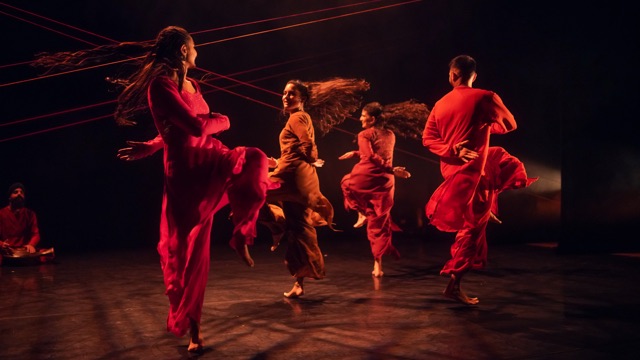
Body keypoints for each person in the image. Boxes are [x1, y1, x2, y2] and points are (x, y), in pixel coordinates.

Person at [36, 26, 275, 352]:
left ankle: (242, 233)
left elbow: (185, 128)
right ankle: (194, 330)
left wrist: (152, 144)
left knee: (254, 159)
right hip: (185, 175)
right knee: (188, 254)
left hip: (209, 157)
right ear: (182, 52)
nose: (197, 52)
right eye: (194, 47)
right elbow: (191, 126)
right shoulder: (160, 86)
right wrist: (225, 120)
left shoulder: (192, 84)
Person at [422, 55, 537, 305]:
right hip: (472, 173)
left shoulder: (439, 104)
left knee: (500, 160)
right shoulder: (486, 97)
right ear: (474, 76)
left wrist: (453, 149)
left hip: (452, 172)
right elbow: (509, 125)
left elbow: (428, 139)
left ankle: (488, 204)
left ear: (452, 75)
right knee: (472, 230)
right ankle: (453, 285)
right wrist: (485, 124)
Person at [261, 78, 370, 298]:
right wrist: (279, 162)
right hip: (296, 174)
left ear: (302, 98)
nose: (286, 96)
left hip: (292, 176)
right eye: (284, 92)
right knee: (299, 228)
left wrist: (310, 158)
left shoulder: (298, 116)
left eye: (292, 93)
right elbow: (298, 148)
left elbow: (308, 146)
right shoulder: (298, 117)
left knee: (252, 189)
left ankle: (276, 225)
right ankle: (299, 282)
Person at [339, 100, 429, 277]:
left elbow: (371, 157)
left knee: (346, 182)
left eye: (363, 116)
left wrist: (385, 167)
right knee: (378, 222)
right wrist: (357, 154)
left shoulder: (364, 134)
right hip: (386, 181)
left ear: (372, 119)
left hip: (368, 176)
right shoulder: (390, 134)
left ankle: (360, 212)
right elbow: (379, 155)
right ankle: (378, 266)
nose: (360, 119)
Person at [0, 182, 54, 264]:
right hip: (7, 250)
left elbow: (35, 234)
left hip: (24, 250)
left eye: (21, 192)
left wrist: (31, 245)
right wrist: (1, 244)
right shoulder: (1, 213)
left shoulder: (30, 214)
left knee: (48, 253)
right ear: (9, 198)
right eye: (15, 192)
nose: (19, 194)